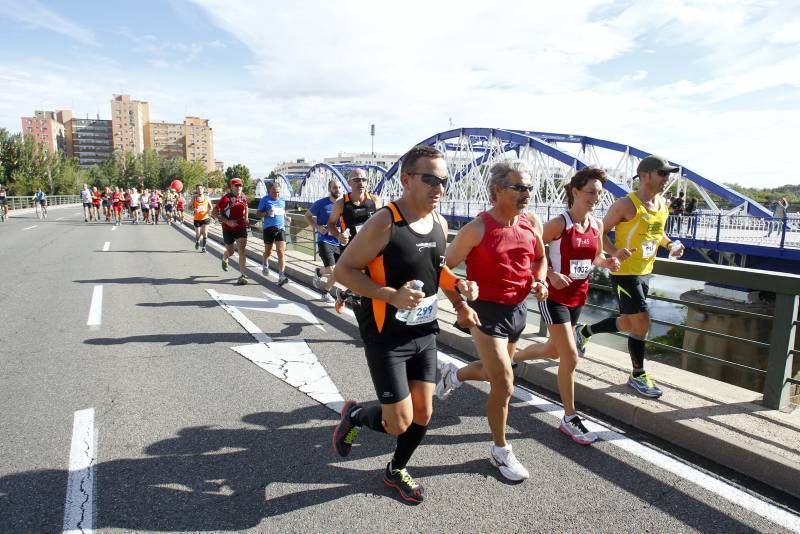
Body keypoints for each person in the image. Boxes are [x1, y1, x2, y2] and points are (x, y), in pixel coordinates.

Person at [331, 145, 478, 504]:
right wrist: (390, 295)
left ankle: (396, 468)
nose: (438, 187)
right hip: (386, 335)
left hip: (424, 331)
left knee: (424, 412)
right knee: (398, 421)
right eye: (429, 179)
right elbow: (343, 271)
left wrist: (460, 293)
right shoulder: (385, 221)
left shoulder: (441, 223)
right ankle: (354, 416)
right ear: (406, 179)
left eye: (443, 180)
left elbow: (435, 270)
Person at [434, 160, 546, 481]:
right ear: (497, 190)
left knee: (494, 373)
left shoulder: (530, 224)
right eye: (519, 187)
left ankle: (455, 376)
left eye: (529, 188)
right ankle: (500, 451)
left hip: (518, 310)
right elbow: (443, 267)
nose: (526, 194)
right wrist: (461, 286)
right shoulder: (477, 228)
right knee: (505, 383)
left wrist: (540, 281)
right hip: (486, 312)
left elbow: (538, 258)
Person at [510, 168, 620, 445]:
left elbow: (595, 257)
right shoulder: (560, 223)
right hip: (554, 297)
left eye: (599, 193)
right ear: (575, 191)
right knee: (570, 357)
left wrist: (608, 262)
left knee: (552, 350)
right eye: (591, 192)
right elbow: (531, 253)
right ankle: (569, 418)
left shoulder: (596, 225)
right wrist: (548, 275)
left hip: (578, 296)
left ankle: (513, 361)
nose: (596, 198)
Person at [575, 155, 684, 398]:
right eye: (663, 174)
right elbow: (599, 232)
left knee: (627, 323)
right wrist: (612, 252)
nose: (667, 178)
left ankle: (583, 332)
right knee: (642, 323)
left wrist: (670, 245)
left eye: (668, 174)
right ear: (645, 176)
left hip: (645, 272)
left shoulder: (662, 204)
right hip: (625, 274)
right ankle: (637, 375)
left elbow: (657, 233)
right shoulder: (626, 204)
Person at [327, 168, 384, 311]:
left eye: (364, 179)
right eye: (357, 180)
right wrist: (338, 235)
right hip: (350, 248)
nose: (361, 183)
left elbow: (383, 224)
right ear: (349, 183)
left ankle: (345, 295)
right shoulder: (341, 203)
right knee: (359, 283)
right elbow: (331, 224)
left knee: (371, 281)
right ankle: (350, 298)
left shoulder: (375, 201)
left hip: (371, 247)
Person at [305, 179, 343, 303]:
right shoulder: (321, 203)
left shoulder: (343, 204)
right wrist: (317, 227)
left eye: (339, 187)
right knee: (333, 270)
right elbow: (307, 216)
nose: (337, 190)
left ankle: (319, 272)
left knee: (339, 270)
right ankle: (326, 294)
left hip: (339, 241)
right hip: (324, 240)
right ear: (329, 189)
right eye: (334, 188)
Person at [214, 177, 250, 285]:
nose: (238, 187)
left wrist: (246, 218)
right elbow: (214, 213)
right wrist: (227, 222)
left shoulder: (244, 197)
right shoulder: (226, 199)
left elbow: (246, 207)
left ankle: (243, 274)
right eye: (236, 185)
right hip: (228, 229)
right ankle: (225, 256)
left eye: (240, 185)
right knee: (231, 252)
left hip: (241, 227)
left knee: (242, 250)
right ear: (232, 187)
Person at [256, 180, 289, 286]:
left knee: (281, 252)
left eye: (278, 192)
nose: (276, 194)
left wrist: (286, 217)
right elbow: (257, 214)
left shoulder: (282, 200)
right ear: (270, 191)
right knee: (268, 251)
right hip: (268, 229)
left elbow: (283, 212)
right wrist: (266, 213)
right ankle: (265, 262)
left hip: (280, 229)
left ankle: (281, 276)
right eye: (274, 192)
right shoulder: (264, 200)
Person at [192, 185, 212, 252]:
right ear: (196, 190)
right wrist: (194, 209)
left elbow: (211, 207)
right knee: (198, 234)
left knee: (205, 233)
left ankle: (203, 247)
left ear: (203, 190)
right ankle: (197, 241)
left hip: (205, 218)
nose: (200, 190)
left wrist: (209, 211)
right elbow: (188, 206)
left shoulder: (207, 198)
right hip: (197, 219)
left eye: (201, 189)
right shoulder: (194, 198)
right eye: (198, 189)